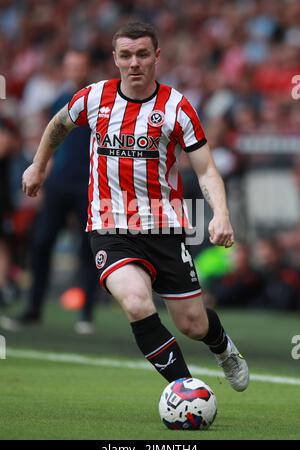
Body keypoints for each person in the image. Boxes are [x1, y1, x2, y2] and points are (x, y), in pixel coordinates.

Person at [20, 22, 249, 390]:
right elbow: (59, 124)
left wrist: (221, 214)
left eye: (142, 54)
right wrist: (38, 164)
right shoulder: (94, 97)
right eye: (125, 55)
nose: (134, 63)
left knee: (192, 324)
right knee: (136, 302)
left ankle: (223, 348)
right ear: (115, 59)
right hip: (110, 227)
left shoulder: (177, 107)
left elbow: (207, 170)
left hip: (165, 228)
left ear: (156, 57)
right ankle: (185, 390)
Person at [1, 50, 99, 334]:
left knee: (89, 249)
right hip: (58, 183)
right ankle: (33, 310)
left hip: (88, 184)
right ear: (65, 69)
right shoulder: (59, 99)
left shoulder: (97, 101)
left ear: (87, 68)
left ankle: (86, 314)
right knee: (41, 243)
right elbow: (53, 143)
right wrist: (42, 172)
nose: (74, 70)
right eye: (70, 65)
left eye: (79, 65)